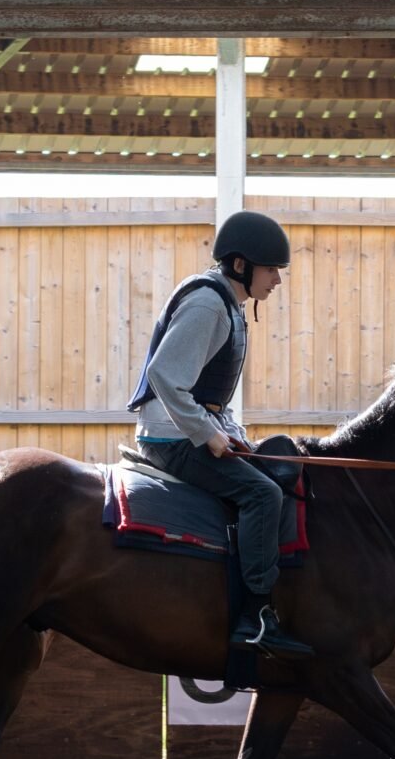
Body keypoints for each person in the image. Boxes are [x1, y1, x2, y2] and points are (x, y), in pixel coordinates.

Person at [126, 210, 312, 658]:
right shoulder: (210, 304)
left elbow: (211, 397)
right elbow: (166, 376)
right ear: (241, 266)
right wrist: (208, 435)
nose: (277, 282)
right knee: (262, 495)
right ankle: (254, 617)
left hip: (187, 429)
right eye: (272, 271)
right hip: (171, 438)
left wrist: (233, 434)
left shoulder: (229, 305)